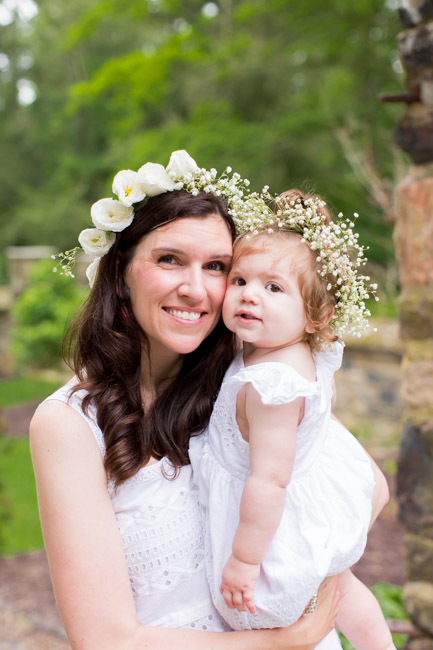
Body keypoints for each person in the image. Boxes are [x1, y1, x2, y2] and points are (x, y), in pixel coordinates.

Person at [30, 152, 346, 650]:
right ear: (121, 273)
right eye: (169, 259)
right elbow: (104, 641)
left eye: (218, 267)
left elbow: (363, 490)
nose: (195, 289)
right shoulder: (69, 424)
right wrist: (286, 640)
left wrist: (323, 579)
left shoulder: (252, 384)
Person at [189, 188, 396, 650]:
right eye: (240, 280)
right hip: (312, 495)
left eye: (274, 288)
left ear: (315, 316)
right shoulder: (303, 355)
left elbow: (268, 481)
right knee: (340, 586)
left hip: (270, 528)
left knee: (299, 609)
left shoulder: (273, 386)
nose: (250, 296)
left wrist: (244, 560)